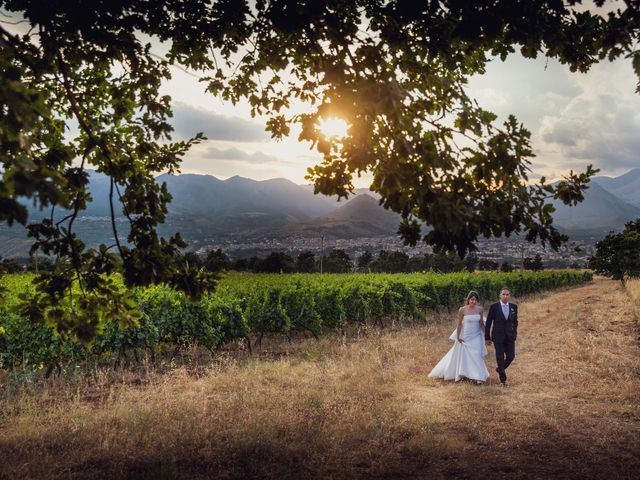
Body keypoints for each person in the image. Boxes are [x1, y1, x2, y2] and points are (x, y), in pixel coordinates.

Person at [428, 291, 489, 383]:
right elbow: (459, 324)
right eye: (472, 299)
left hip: (476, 335)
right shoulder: (462, 310)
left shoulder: (479, 310)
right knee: (466, 355)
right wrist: (458, 336)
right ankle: (465, 374)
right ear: (468, 300)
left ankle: (478, 377)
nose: (474, 302)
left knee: (476, 354)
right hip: (466, 335)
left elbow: (481, 323)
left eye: (476, 300)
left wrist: (487, 335)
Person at [485, 287, 518, 386]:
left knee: (511, 356)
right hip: (498, 336)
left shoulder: (514, 307)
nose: (505, 296)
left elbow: (515, 322)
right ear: (500, 295)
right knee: (499, 357)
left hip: (510, 336)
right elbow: (488, 322)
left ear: (509, 296)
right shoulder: (494, 307)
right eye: (503, 294)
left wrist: (514, 333)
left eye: (507, 294)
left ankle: (499, 368)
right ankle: (503, 380)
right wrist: (487, 337)